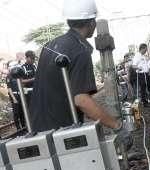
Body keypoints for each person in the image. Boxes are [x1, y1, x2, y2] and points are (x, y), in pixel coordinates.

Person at [30, 0, 127, 139]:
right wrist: (117, 126)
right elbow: (81, 100)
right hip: (62, 131)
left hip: (36, 129)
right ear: (91, 23)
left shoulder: (49, 45)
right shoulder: (80, 50)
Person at [6, 61, 25, 130]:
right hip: (14, 95)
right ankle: (18, 128)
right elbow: (9, 88)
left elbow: (22, 83)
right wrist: (14, 98)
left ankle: (24, 126)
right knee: (16, 113)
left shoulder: (18, 73)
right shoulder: (9, 76)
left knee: (22, 111)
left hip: (20, 94)